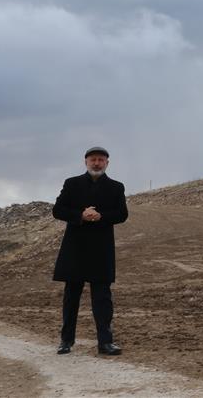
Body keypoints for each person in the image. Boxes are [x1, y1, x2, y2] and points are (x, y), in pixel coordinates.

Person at [52, 146, 128, 355]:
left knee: (103, 299)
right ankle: (66, 341)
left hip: (101, 250)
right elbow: (58, 210)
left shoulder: (116, 187)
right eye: (93, 159)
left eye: (101, 160)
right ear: (85, 162)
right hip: (75, 247)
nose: (97, 163)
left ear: (107, 163)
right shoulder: (72, 183)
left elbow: (122, 214)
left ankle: (105, 343)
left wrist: (101, 216)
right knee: (71, 297)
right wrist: (81, 215)